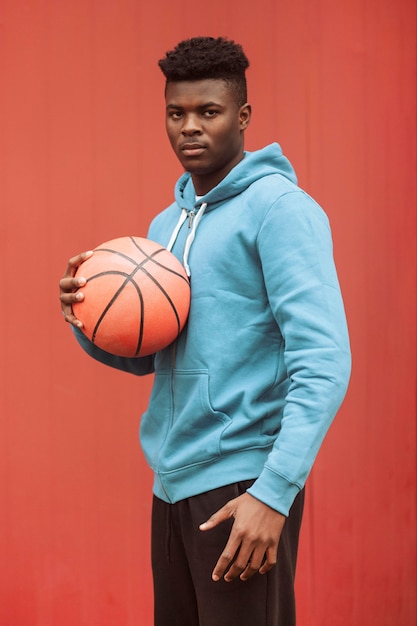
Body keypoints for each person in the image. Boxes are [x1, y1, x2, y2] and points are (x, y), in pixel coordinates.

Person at [59, 36, 351, 626]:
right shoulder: (167, 225)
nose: (190, 127)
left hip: (244, 484)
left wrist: (274, 494)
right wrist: (87, 317)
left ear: (242, 117)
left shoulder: (280, 210)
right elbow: (152, 354)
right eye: (177, 113)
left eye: (208, 112)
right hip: (172, 485)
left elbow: (324, 362)